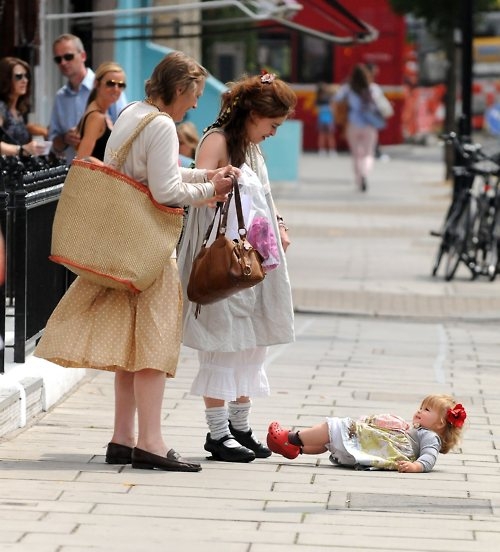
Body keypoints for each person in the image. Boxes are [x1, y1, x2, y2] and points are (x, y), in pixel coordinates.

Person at [35, 51, 236, 472]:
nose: (195, 105)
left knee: (128, 346)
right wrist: (210, 193)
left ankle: (122, 438)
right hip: (149, 252)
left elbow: (149, 173)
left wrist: (203, 177)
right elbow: (164, 191)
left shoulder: (132, 112)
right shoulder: (163, 124)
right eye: (194, 95)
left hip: (123, 248)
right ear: (179, 89)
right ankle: (152, 442)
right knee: (153, 347)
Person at [177, 72, 297, 463]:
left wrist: (277, 224)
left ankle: (240, 425)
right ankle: (217, 433)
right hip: (222, 254)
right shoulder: (218, 140)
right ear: (253, 113)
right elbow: (199, 191)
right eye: (273, 124)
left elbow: (264, 194)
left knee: (250, 341)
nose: (275, 132)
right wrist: (220, 187)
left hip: (252, 254)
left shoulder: (250, 145)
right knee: (221, 340)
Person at [267, 394, 467, 473]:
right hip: (366, 450)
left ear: (441, 423)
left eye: (427, 410)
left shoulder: (430, 437)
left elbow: (429, 456)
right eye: (421, 407)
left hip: (370, 447)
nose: (419, 411)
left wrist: (416, 466)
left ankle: (290, 438)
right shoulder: (419, 430)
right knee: (329, 440)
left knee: (336, 428)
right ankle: (297, 449)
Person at [49, 34, 128, 164]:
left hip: (97, 177)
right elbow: (82, 160)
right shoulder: (61, 97)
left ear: (83, 56)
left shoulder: (105, 95)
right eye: (58, 59)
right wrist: (65, 139)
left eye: (68, 56)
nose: (63, 62)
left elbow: (124, 131)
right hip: (88, 178)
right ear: (97, 84)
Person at [333, 63, 386, 192]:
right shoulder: (373, 88)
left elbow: (336, 99)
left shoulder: (348, 88)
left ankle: (358, 178)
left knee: (356, 154)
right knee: (368, 153)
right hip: (369, 125)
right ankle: (365, 174)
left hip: (353, 125)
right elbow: (381, 104)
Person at [75, 61, 126, 162]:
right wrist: (108, 169)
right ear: (96, 84)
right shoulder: (96, 117)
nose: (116, 89)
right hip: (94, 177)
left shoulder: (101, 113)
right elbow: (82, 159)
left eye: (120, 85)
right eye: (110, 83)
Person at [0, 56, 47, 157]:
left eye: (26, 76)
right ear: (6, 79)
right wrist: (21, 150)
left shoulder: (17, 110)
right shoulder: (1, 107)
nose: (25, 80)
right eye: (18, 76)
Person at [315, 82, 336, 156]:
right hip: (323, 119)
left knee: (328, 135)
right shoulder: (319, 99)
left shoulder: (329, 98)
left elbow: (333, 108)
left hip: (328, 119)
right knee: (323, 135)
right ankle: (323, 150)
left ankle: (331, 150)